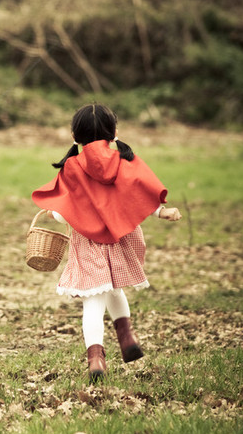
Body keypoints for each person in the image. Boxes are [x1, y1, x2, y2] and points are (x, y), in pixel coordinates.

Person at [32, 103, 181, 383]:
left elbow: (60, 210)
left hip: (89, 243)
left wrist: (55, 213)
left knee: (93, 300)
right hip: (122, 238)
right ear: (114, 134)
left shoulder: (73, 166)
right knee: (113, 289)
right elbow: (138, 193)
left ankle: (96, 358)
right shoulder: (124, 160)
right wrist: (162, 211)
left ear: (75, 137)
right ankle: (127, 338)